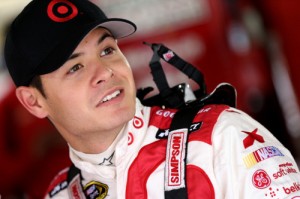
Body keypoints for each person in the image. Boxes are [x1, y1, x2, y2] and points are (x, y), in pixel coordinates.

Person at [3, 0, 300, 198]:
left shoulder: (222, 138)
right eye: (76, 67)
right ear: (33, 102)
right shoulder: (62, 193)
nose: (105, 72)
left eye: (107, 50)